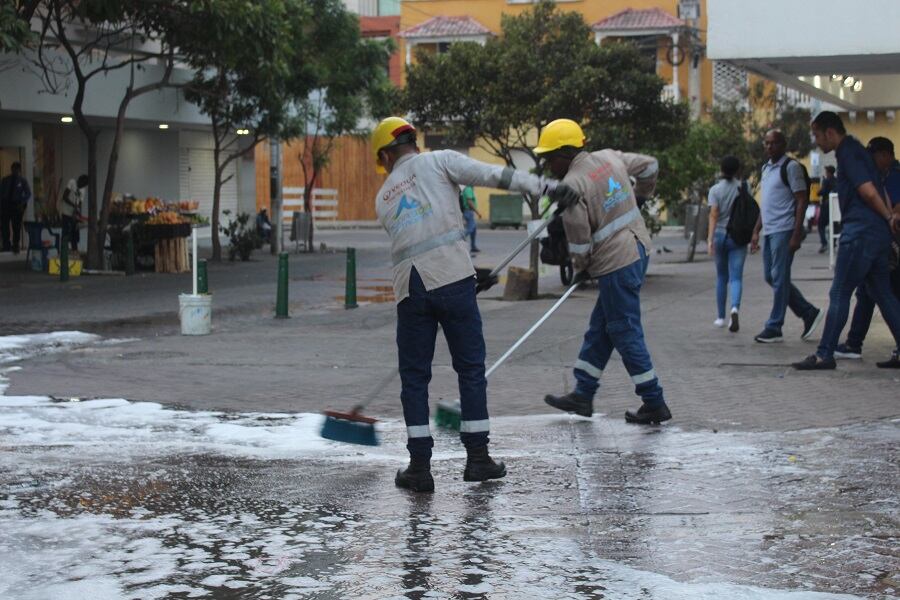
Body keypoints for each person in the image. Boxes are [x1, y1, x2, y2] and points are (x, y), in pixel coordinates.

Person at [371, 116, 577, 493]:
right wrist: (548, 187)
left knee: (415, 378)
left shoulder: (383, 198)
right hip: (453, 280)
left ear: (385, 154)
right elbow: (492, 176)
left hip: (410, 292)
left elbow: (419, 239)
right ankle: (478, 459)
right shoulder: (440, 161)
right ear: (411, 142)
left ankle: (419, 467)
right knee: (469, 370)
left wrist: (466, 273)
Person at [539, 119, 672, 426]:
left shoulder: (571, 187)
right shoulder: (609, 157)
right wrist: (642, 197)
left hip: (615, 262)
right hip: (638, 249)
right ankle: (583, 393)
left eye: (549, 158)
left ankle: (654, 400)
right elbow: (650, 166)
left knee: (624, 329)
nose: (548, 166)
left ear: (565, 153)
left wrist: (581, 269)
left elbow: (580, 241)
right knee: (602, 327)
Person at [792, 112, 900, 370]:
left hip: (859, 234)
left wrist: (888, 216)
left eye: (817, 135)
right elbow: (881, 190)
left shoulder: (847, 152)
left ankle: (824, 354)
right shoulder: (860, 151)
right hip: (876, 235)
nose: (817, 142)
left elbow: (868, 190)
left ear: (830, 132)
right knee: (883, 294)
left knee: (840, 292)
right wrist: (887, 222)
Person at [831, 136, 900, 367]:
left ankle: (831, 349)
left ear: (886, 155)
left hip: (875, 240)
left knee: (846, 292)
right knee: (875, 294)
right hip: (880, 240)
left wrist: (889, 218)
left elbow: (877, 196)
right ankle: (853, 343)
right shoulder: (879, 173)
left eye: (875, 156)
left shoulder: (892, 175)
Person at [750, 129, 822, 343]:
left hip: (785, 229)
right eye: (766, 143)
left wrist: (797, 233)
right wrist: (756, 230)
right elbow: (767, 203)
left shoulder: (790, 168)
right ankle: (808, 312)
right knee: (771, 277)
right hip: (770, 230)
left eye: (774, 143)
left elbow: (802, 200)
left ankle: (774, 326)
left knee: (780, 278)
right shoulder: (766, 169)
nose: (769, 147)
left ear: (783, 145)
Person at [706, 156, 748, 332]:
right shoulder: (743, 188)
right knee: (736, 277)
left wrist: (709, 239)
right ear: (737, 170)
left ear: (722, 169)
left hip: (720, 236)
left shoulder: (715, 190)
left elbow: (714, 215)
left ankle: (720, 317)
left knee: (721, 277)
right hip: (738, 236)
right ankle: (735, 309)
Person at [0, 162, 32, 253]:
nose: (15, 171)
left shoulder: (22, 181)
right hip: (5, 204)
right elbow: (1, 193)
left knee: (16, 226)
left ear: (19, 170)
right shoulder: (5, 180)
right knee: (5, 225)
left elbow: (28, 193)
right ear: (11, 169)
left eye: (17, 169)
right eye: (14, 169)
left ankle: (15, 245)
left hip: (16, 205)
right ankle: (6, 244)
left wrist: (22, 202)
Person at [60, 174, 87, 252]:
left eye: (84, 185)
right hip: (66, 212)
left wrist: (77, 212)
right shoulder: (72, 182)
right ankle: (64, 251)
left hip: (74, 214)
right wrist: (74, 205)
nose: (82, 186)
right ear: (79, 180)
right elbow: (64, 197)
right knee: (65, 233)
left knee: (74, 235)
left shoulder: (83, 190)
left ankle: (74, 252)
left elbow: (80, 203)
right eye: (82, 184)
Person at [817, 166, 836, 253]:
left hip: (825, 206)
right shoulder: (837, 180)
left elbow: (822, 192)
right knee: (834, 225)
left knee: (821, 225)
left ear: (828, 172)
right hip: (835, 206)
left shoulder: (826, 180)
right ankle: (833, 242)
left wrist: (819, 191)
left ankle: (824, 243)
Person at [459, 185, 482, 253]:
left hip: (468, 212)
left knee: (473, 231)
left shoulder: (468, 189)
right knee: (470, 229)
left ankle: (473, 246)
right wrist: (477, 212)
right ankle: (458, 240)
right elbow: (469, 201)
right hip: (469, 211)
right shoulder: (468, 189)